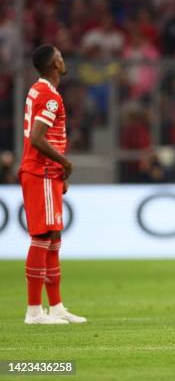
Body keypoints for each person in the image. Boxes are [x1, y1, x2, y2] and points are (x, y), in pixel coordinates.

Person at [19, 44, 87, 325]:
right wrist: (65, 163)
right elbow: (37, 137)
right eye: (60, 56)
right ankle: (34, 311)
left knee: (54, 237)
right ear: (53, 64)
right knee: (43, 238)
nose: (63, 58)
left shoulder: (41, 90)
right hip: (41, 172)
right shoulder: (48, 95)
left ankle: (56, 306)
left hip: (48, 174)